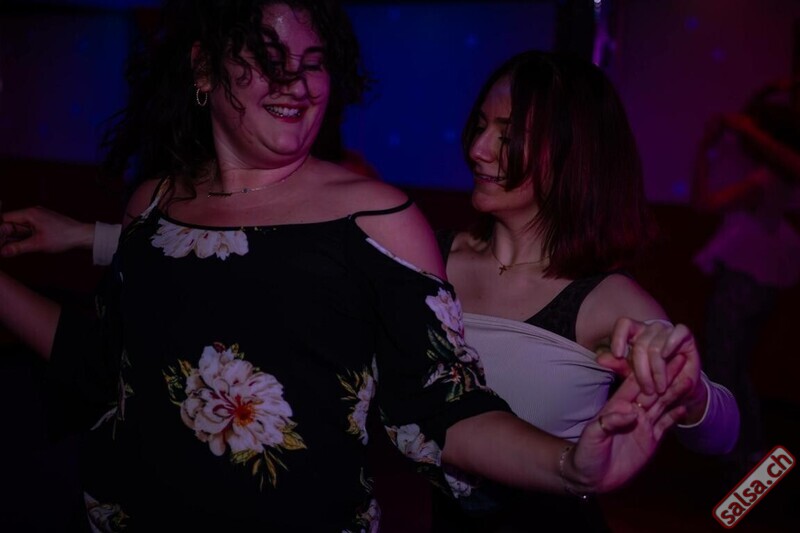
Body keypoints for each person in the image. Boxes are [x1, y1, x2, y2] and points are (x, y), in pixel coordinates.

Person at [0, 2, 694, 530]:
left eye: (312, 61)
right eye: (266, 56)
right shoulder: (150, 204)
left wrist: (569, 465)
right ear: (204, 68)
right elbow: (100, 363)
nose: (296, 81)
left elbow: (441, 406)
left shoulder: (377, 220)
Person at [431, 50, 740, 532]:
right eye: (481, 126)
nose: (478, 149)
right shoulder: (431, 259)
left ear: (572, 156)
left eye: (508, 135)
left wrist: (691, 391)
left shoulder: (605, 302)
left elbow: (723, 436)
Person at [691, 80, 800, 481]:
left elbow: (705, 204)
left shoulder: (766, 177)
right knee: (735, 367)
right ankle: (749, 454)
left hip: (743, 282)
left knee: (725, 366)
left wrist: (714, 143)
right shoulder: (774, 175)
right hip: (757, 282)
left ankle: (741, 455)